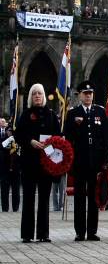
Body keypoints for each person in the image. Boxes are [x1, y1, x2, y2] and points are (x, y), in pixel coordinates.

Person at [14, 84, 61, 243]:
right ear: (30, 97)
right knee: (28, 198)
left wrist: (51, 143)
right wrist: (30, 141)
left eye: (40, 93)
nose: (37, 96)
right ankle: (27, 234)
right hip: (29, 162)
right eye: (34, 94)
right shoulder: (25, 115)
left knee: (44, 199)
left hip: (45, 163)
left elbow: (58, 136)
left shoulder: (51, 115)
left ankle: (43, 234)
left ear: (44, 96)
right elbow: (18, 135)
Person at [64, 81, 108, 241]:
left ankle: (92, 231)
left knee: (93, 197)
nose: (88, 96)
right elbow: (67, 138)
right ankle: (79, 231)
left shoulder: (100, 112)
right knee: (79, 197)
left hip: (95, 162)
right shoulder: (72, 113)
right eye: (85, 93)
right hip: (79, 162)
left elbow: (105, 138)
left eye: (90, 93)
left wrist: (105, 160)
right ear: (80, 95)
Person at [1, 118, 20, 212]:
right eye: (8, 131)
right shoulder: (3, 140)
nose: (10, 132)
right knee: (4, 189)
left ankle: (15, 207)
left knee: (16, 189)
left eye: (12, 131)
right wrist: (7, 141)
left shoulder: (17, 141)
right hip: (5, 168)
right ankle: (5, 208)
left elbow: (20, 154)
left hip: (16, 168)